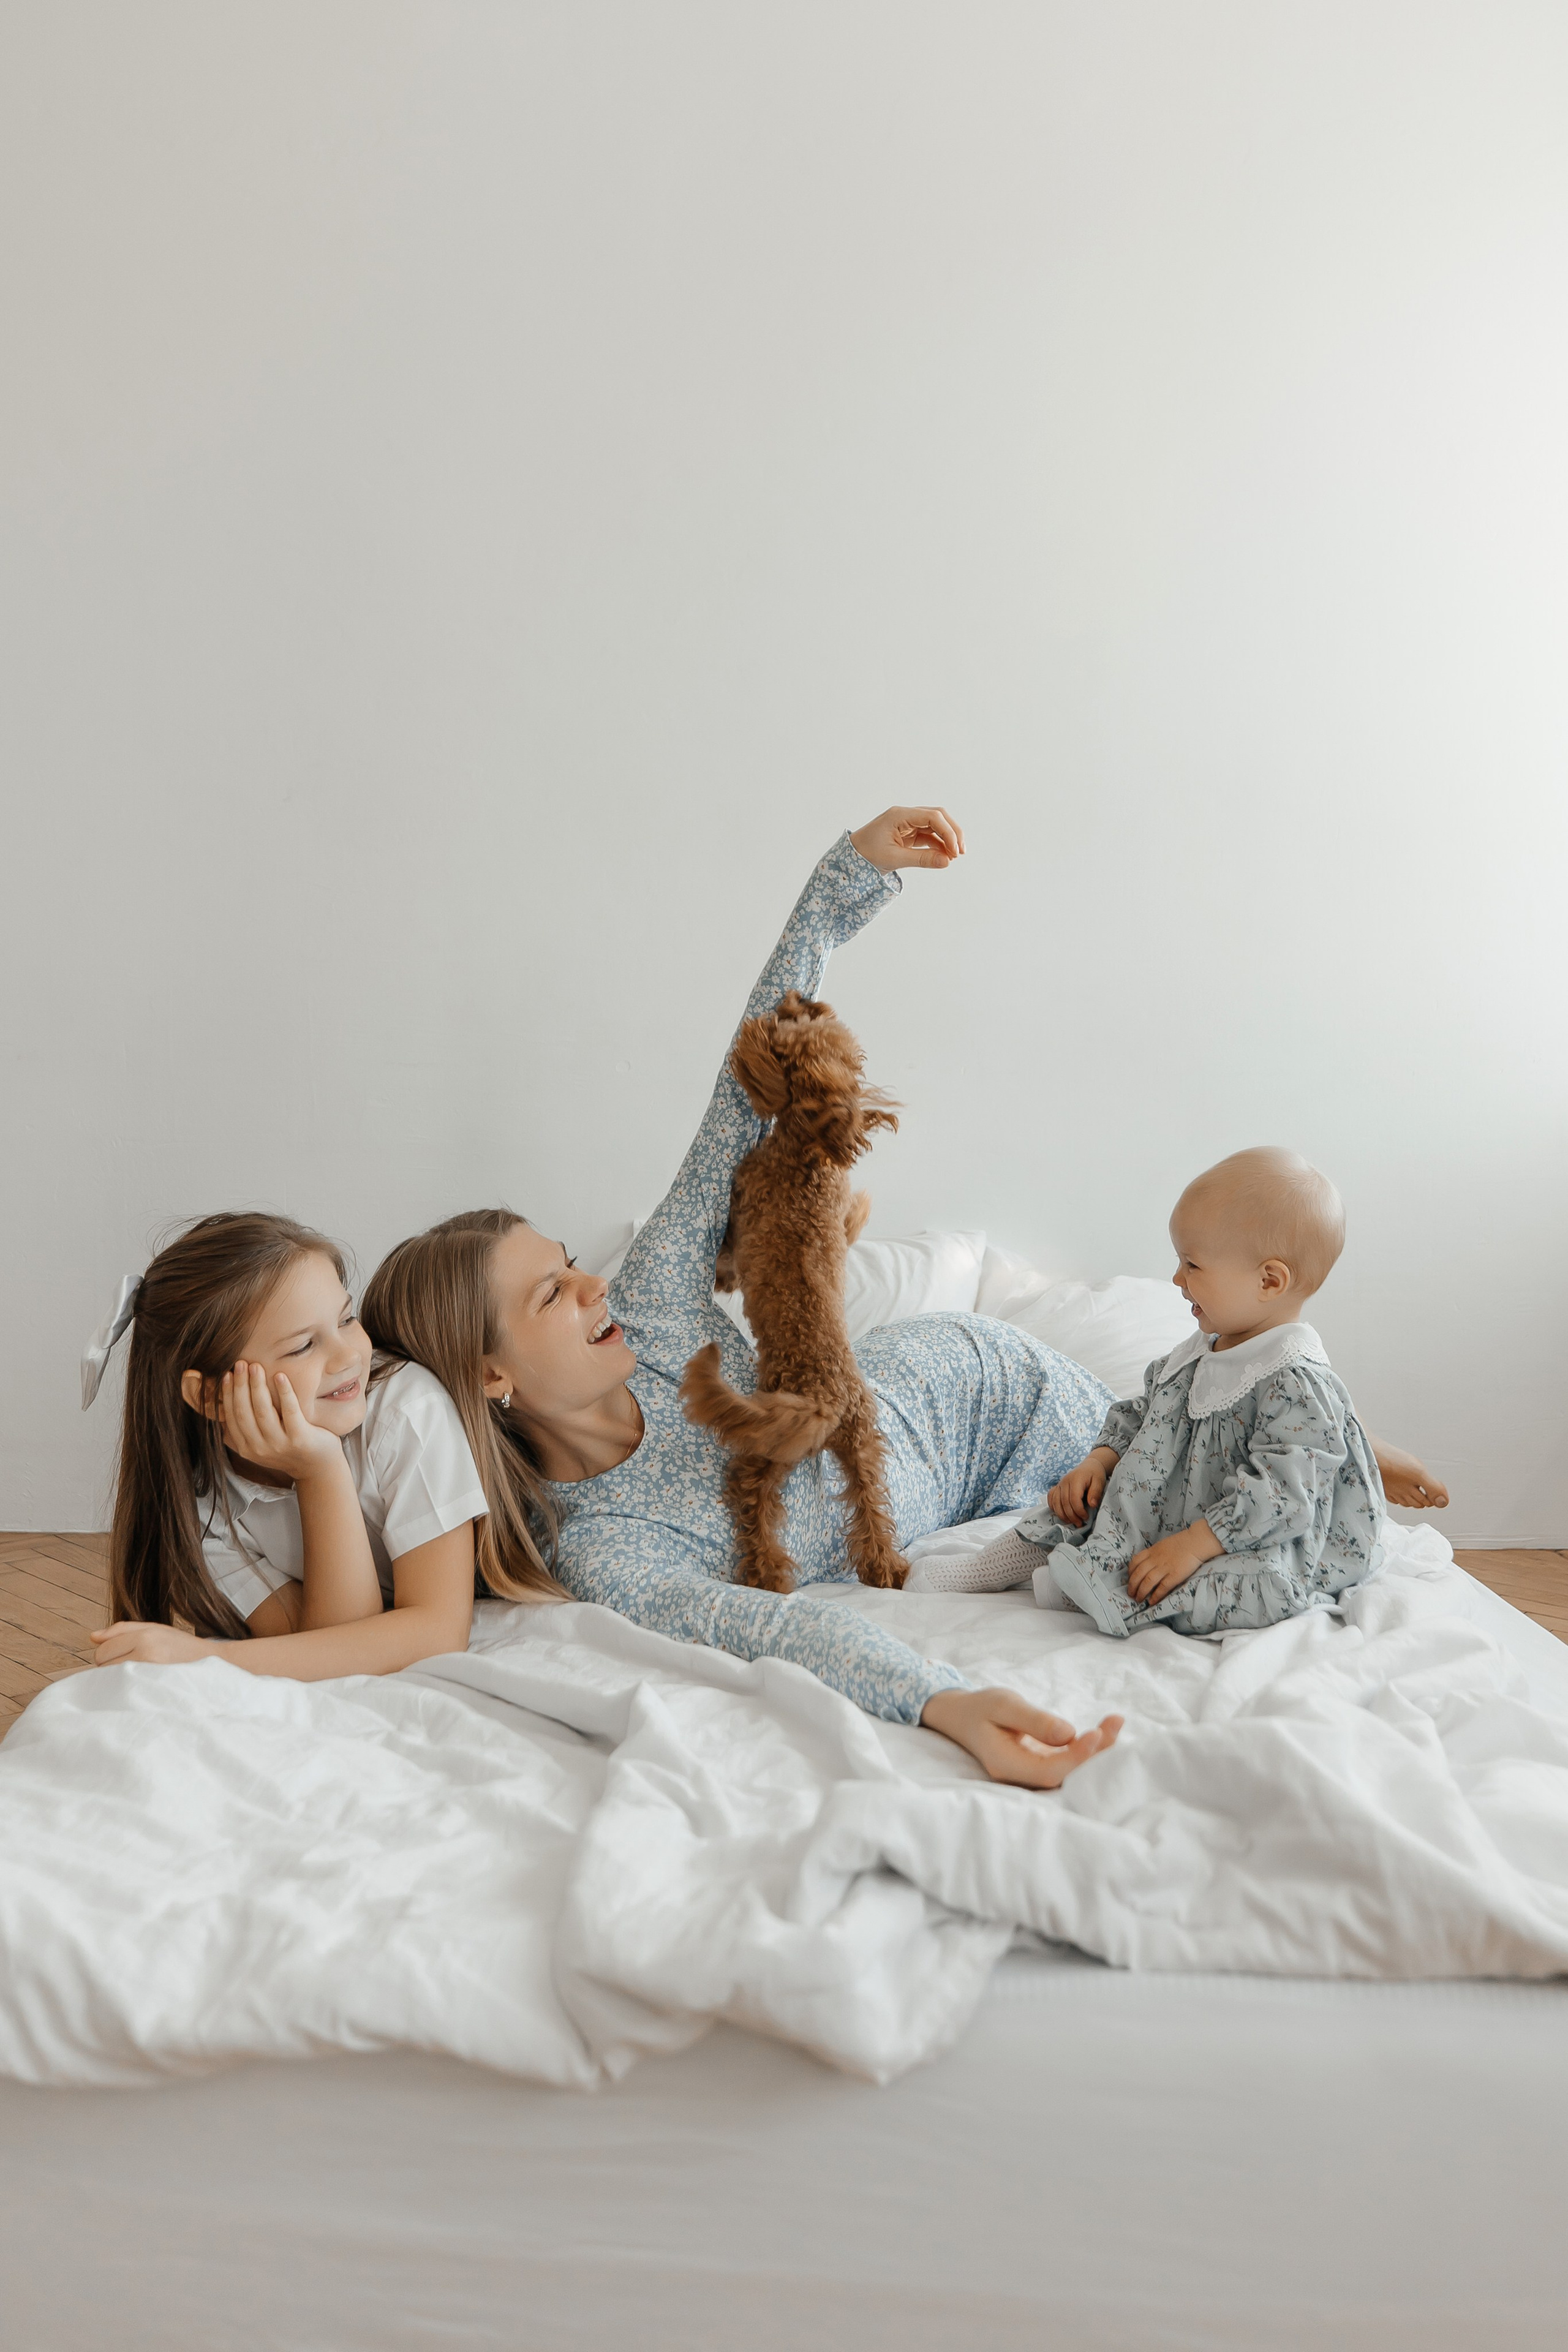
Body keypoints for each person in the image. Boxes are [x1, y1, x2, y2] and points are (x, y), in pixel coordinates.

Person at [363, 809, 1124, 1789]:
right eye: (554, 1291)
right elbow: (772, 1627)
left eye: (569, 1262)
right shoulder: (608, 1548)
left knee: (1222, 1463)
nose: (595, 1283)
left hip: (987, 1387)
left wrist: (845, 875)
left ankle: (1343, 1439)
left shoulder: (652, 1308)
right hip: (961, 1511)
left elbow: (743, 1091)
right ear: (490, 1374)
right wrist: (948, 1702)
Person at [953, 1147, 1386, 1637]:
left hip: (1251, 1532)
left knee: (1260, 1585)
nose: (1177, 1279)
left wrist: (1197, 1545)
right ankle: (991, 1567)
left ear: (1269, 1280)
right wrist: (1099, 1460)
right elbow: (1145, 1413)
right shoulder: (1202, 1350)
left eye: (1192, 1265)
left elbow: (1284, 1497)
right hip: (1177, 1506)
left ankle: (1091, 1592)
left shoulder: (1295, 1381)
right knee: (1083, 1504)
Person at [87, 1211, 510, 1677]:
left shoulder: (408, 1409)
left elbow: (437, 1632)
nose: (350, 1355)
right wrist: (321, 1470)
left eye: (347, 1319)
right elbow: (329, 1648)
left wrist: (210, 1656)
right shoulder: (208, 1513)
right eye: (304, 1346)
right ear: (210, 1395)